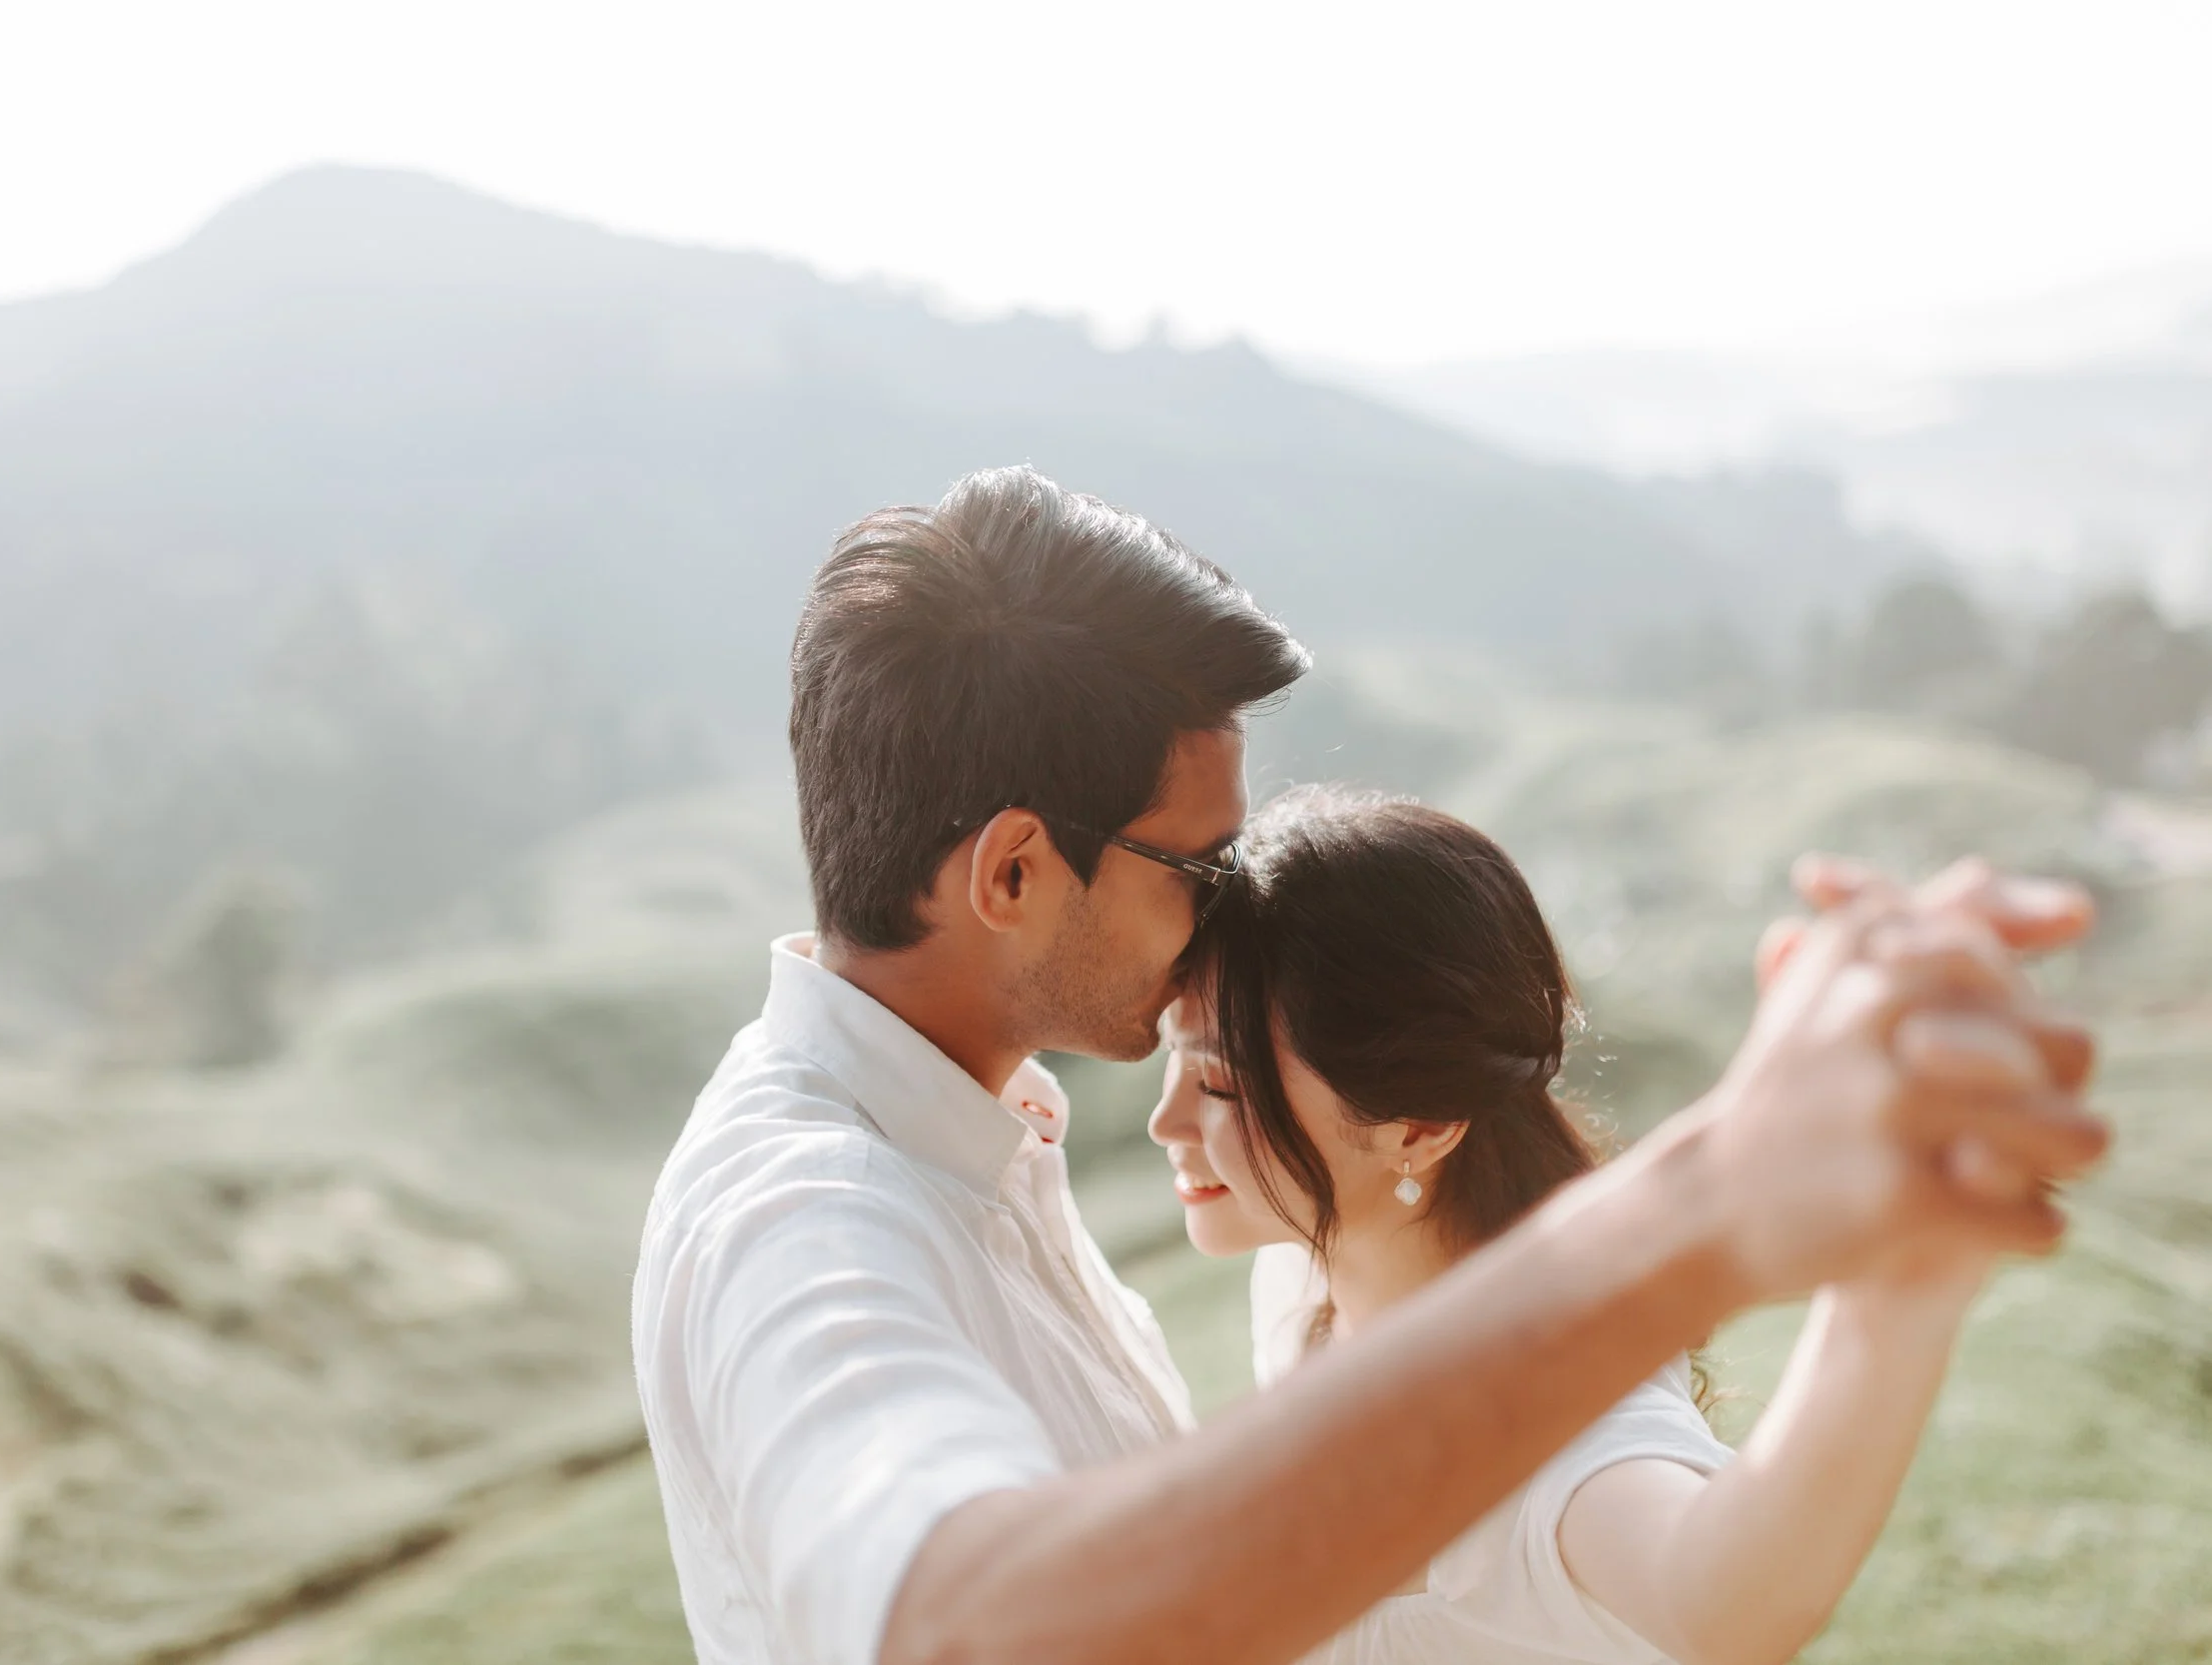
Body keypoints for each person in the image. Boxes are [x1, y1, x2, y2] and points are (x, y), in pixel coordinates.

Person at [630, 465, 2106, 1665]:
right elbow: (965, 1631)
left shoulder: (981, 1133)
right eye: (1194, 866)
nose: (1221, 912)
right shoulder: (802, 1219)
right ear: (1014, 871)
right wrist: (1702, 1206)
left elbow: (1716, 1585)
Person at [1154, 788, 2007, 1664]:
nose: (1166, 1121)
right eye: (1175, 1057)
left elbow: (1722, 1601)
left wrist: (1897, 1294)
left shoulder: (1562, 1435)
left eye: (1219, 1083)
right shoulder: (1305, 1289)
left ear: (1418, 1124)